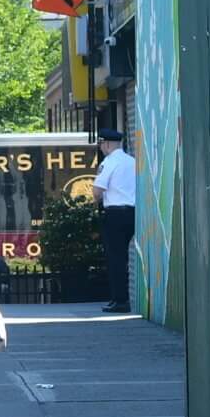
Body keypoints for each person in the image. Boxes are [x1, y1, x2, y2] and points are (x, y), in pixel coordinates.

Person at [91, 122, 137, 315]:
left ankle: (120, 300)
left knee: (116, 258)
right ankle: (121, 298)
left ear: (107, 144)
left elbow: (97, 192)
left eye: (101, 144)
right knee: (126, 256)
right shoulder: (132, 161)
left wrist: (95, 198)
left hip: (115, 214)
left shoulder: (108, 163)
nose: (101, 148)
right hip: (133, 212)